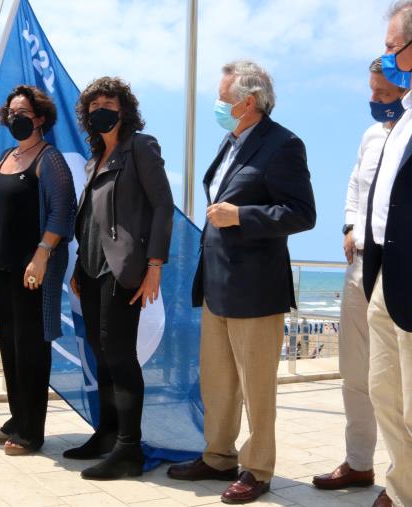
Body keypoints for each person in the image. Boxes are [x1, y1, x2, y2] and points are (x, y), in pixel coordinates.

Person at [167, 61, 316, 504]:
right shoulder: (229, 141)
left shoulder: (284, 144)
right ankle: (217, 457)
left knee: (257, 388)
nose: (218, 104)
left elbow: (302, 214)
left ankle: (258, 469)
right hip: (216, 283)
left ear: (247, 102)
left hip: (255, 286)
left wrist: (241, 217)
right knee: (218, 383)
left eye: (222, 97)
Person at [65, 76, 174, 480]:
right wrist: (78, 268)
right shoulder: (94, 160)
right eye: (93, 107)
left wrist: (155, 265)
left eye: (108, 103)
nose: (100, 111)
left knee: (120, 355)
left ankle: (129, 448)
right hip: (90, 269)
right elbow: (89, 221)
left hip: (123, 268)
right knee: (101, 353)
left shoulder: (140, 147)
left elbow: (163, 205)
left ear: (123, 109)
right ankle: (108, 434)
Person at [0, 85, 76, 456]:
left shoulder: (49, 158)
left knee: (31, 347)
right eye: (10, 112)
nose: (15, 118)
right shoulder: (5, 157)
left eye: (22, 112)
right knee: (10, 346)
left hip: (32, 269)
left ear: (40, 118)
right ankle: (16, 417)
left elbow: (63, 212)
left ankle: (32, 431)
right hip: (0, 265)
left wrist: (41, 255)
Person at [312, 58, 405, 497]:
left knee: (398, 379)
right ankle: (358, 462)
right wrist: (349, 225)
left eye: (382, 93)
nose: (373, 100)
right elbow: (355, 187)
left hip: (400, 264)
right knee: (356, 371)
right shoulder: (370, 136)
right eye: (371, 91)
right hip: (360, 266)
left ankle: (400, 476)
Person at [362, 3, 412, 505]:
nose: (385, 56)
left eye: (392, 46)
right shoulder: (405, 117)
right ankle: (401, 493)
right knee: (386, 397)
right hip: (383, 279)